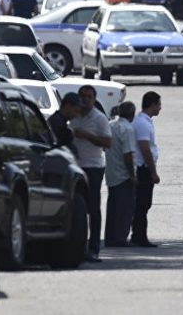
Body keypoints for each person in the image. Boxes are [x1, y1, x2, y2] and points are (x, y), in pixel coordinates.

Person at [70, 85, 113, 262]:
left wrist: (87, 135)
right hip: (75, 167)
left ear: (94, 99)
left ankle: (94, 248)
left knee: (93, 208)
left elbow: (108, 143)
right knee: (77, 208)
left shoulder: (99, 118)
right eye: (83, 96)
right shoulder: (74, 116)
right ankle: (77, 247)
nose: (86, 100)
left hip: (94, 167)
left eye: (89, 97)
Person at [104, 101, 138, 248]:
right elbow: (128, 154)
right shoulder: (127, 129)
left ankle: (110, 237)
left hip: (111, 172)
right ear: (132, 114)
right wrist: (132, 175)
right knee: (124, 208)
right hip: (123, 175)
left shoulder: (111, 126)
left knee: (113, 207)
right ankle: (120, 238)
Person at [131, 92, 162, 248]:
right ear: (153, 104)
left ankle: (138, 234)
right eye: (159, 104)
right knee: (143, 204)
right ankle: (139, 236)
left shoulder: (144, 121)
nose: (160, 108)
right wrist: (153, 171)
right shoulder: (142, 123)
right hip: (143, 168)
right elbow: (145, 149)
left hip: (143, 167)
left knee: (143, 204)